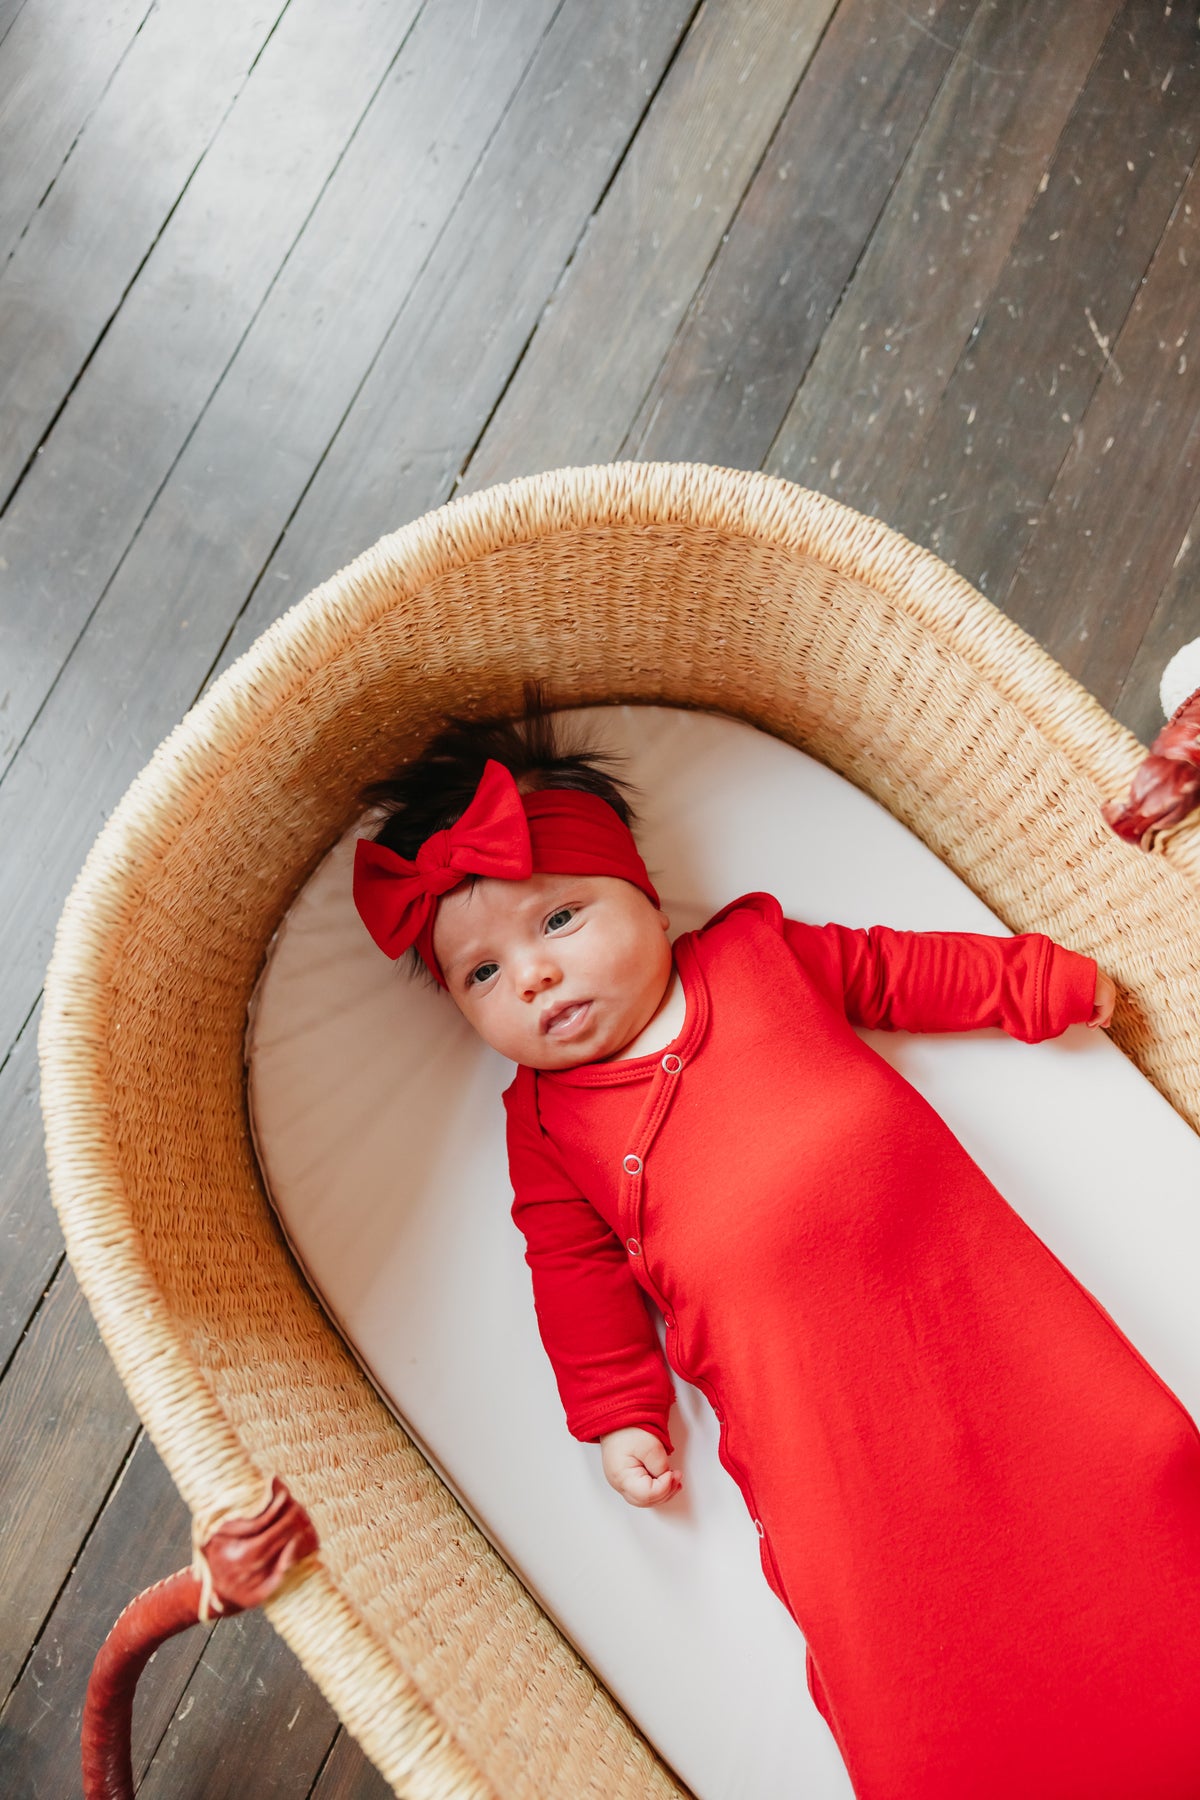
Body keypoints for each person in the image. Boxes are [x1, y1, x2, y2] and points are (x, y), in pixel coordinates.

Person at [352, 691, 1200, 1800]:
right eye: (481, 975)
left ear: (644, 898)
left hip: (973, 1314)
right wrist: (616, 1412)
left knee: (1121, 1492)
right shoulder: (548, 1125)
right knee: (899, 1645)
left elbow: (897, 970)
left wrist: (1032, 983)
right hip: (818, 1424)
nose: (534, 976)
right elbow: (570, 1274)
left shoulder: (758, 956)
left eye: (558, 920)